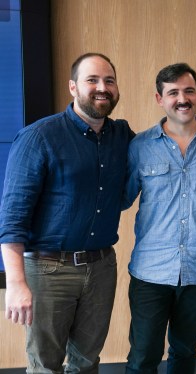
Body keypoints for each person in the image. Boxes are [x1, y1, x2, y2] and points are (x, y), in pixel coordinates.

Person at [0, 53, 134, 372]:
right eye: (92, 80)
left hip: (102, 266)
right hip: (48, 271)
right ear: (73, 87)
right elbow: (12, 218)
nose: (102, 87)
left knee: (87, 361)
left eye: (109, 80)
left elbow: (160, 145)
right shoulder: (39, 137)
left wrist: (191, 129)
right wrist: (16, 283)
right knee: (46, 364)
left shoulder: (122, 136)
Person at [122, 62, 196, 374]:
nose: (182, 99)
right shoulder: (139, 147)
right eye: (173, 93)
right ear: (160, 99)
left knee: (185, 353)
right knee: (143, 356)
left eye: (188, 91)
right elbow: (120, 198)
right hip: (150, 272)